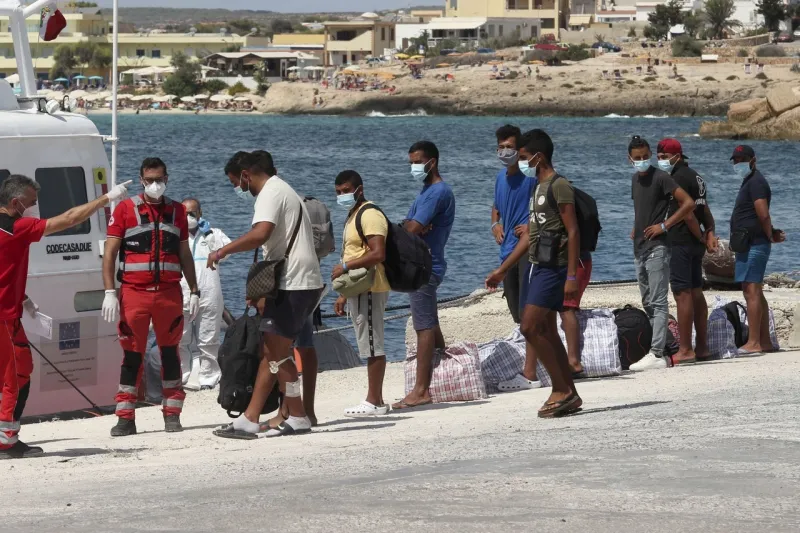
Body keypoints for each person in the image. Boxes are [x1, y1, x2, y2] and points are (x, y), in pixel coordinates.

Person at [1, 174, 131, 458]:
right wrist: (106, 199)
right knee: (15, 378)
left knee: (20, 371)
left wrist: (19, 295)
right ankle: (5, 441)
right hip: (4, 320)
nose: (36, 208)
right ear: (15, 203)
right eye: (32, 203)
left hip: (10, 312)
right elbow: (69, 219)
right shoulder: (17, 227)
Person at [210, 151, 323, 438]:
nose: (238, 189)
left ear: (246, 175)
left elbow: (261, 234)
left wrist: (223, 250)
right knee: (273, 353)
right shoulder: (281, 189)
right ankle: (262, 416)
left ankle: (294, 415)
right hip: (295, 281)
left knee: (276, 354)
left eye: (236, 183)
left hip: (294, 283)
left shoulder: (270, 192)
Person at [486, 129, 581, 417]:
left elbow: (573, 231)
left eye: (525, 157)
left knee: (529, 327)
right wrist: (503, 270)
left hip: (554, 268)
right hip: (538, 265)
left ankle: (561, 388)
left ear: (539, 157)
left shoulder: (558, 185)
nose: (522, 162)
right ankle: (568, 392)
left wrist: (572, 277)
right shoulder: (537, 188)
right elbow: (530, 236)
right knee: (546, 330)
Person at [102, 157, 200, 437]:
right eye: (149, 180)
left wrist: (194, 290)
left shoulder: (178, 211)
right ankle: (125, 417)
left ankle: (172, 413)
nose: (154, 184)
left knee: (171, 354)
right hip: (134, 294)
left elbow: (185, 255)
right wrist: (110, 292)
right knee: (132, 356)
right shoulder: (124, 210)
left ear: (166, 178)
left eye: (159, 179)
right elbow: (109, 254)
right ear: (141, 179)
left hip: (169, 294)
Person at [392, 141, 456, 410]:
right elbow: (407, 225)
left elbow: (412, 228)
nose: (414, 167)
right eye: (411, 163)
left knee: (423, 326)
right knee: (430, 322)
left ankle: (421, 390)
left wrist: (410, 227)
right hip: (423, 265)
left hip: (425, 267)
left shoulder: (437, 192)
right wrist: (409, 226)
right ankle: (445, 369)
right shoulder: (426, 191)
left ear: (432, 161)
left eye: (417, 162)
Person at [627, 136, 695, 371]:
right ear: (630, 160)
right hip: (639, 246)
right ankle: (669, 346)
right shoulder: (635, 179)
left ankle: (657, 353)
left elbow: (688, 203)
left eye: (646, 156)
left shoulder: (661, 177)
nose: (643, 160)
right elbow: (642, 208)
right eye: (638, 158)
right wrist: (636, 228)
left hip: (658, 247)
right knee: (647, 301)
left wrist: (664, 226)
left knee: (657, 300)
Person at [488, 125, 543, 391]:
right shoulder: (500, 178)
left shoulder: (531, 177)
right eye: (501, 146)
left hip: (527, 251)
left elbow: (544, 206)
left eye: (510, 146)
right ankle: (530, 366)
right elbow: (496, 206)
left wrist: (531, 225)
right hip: (506, 249)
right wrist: (495, 224)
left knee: (529, 313)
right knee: (517, 313)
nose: (505, 151)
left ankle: (530, 372)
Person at [332, 170, 390, 417]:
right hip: (359, 287)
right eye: (338, 192)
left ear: (359, 189)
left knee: (372, 343)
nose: (342, 195)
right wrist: (344, 293)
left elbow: (378, 253)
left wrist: (345, 267)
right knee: (367, 341)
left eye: (346, 191)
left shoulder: (370, 214)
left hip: (370, 286)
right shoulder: (353, 215)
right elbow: (354, 251)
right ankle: (376, 399)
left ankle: (373, 401)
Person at [657, 138, 717, 363]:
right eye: (659, 157)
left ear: (677, 156)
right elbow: (705, 208)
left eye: (664, 157)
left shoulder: (677, 178)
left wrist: (700, 235)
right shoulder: (696, 176)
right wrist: (709, 232)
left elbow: (689, 213)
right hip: (694, 244)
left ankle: (685, 349)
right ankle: (702, 347)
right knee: (695, 292)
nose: (661, 161)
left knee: (681, 294)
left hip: (682, 240)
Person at [729, 145, 784, 354]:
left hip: (755, 243)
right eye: (735, 160)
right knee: (755, 291)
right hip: (747, 242)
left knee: (751, 290)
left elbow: (763, 214)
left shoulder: (757, 183)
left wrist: (770, 235)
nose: (738, 163)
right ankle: (764, 341)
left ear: (753, 160)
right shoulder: (749, 182)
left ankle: (754, 342)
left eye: (742, 159)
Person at [179, 197, 231, 391]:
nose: (189, 217)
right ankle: (182, 375)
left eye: (192, 213)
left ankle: (209, 377)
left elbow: (226, 253)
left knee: (208, 338)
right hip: (182, 293)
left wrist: (208, 233)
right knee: (180, 338)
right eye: (185, 213)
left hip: (209, 293)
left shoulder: (214, 233)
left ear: (200, 213)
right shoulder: (176, 235)